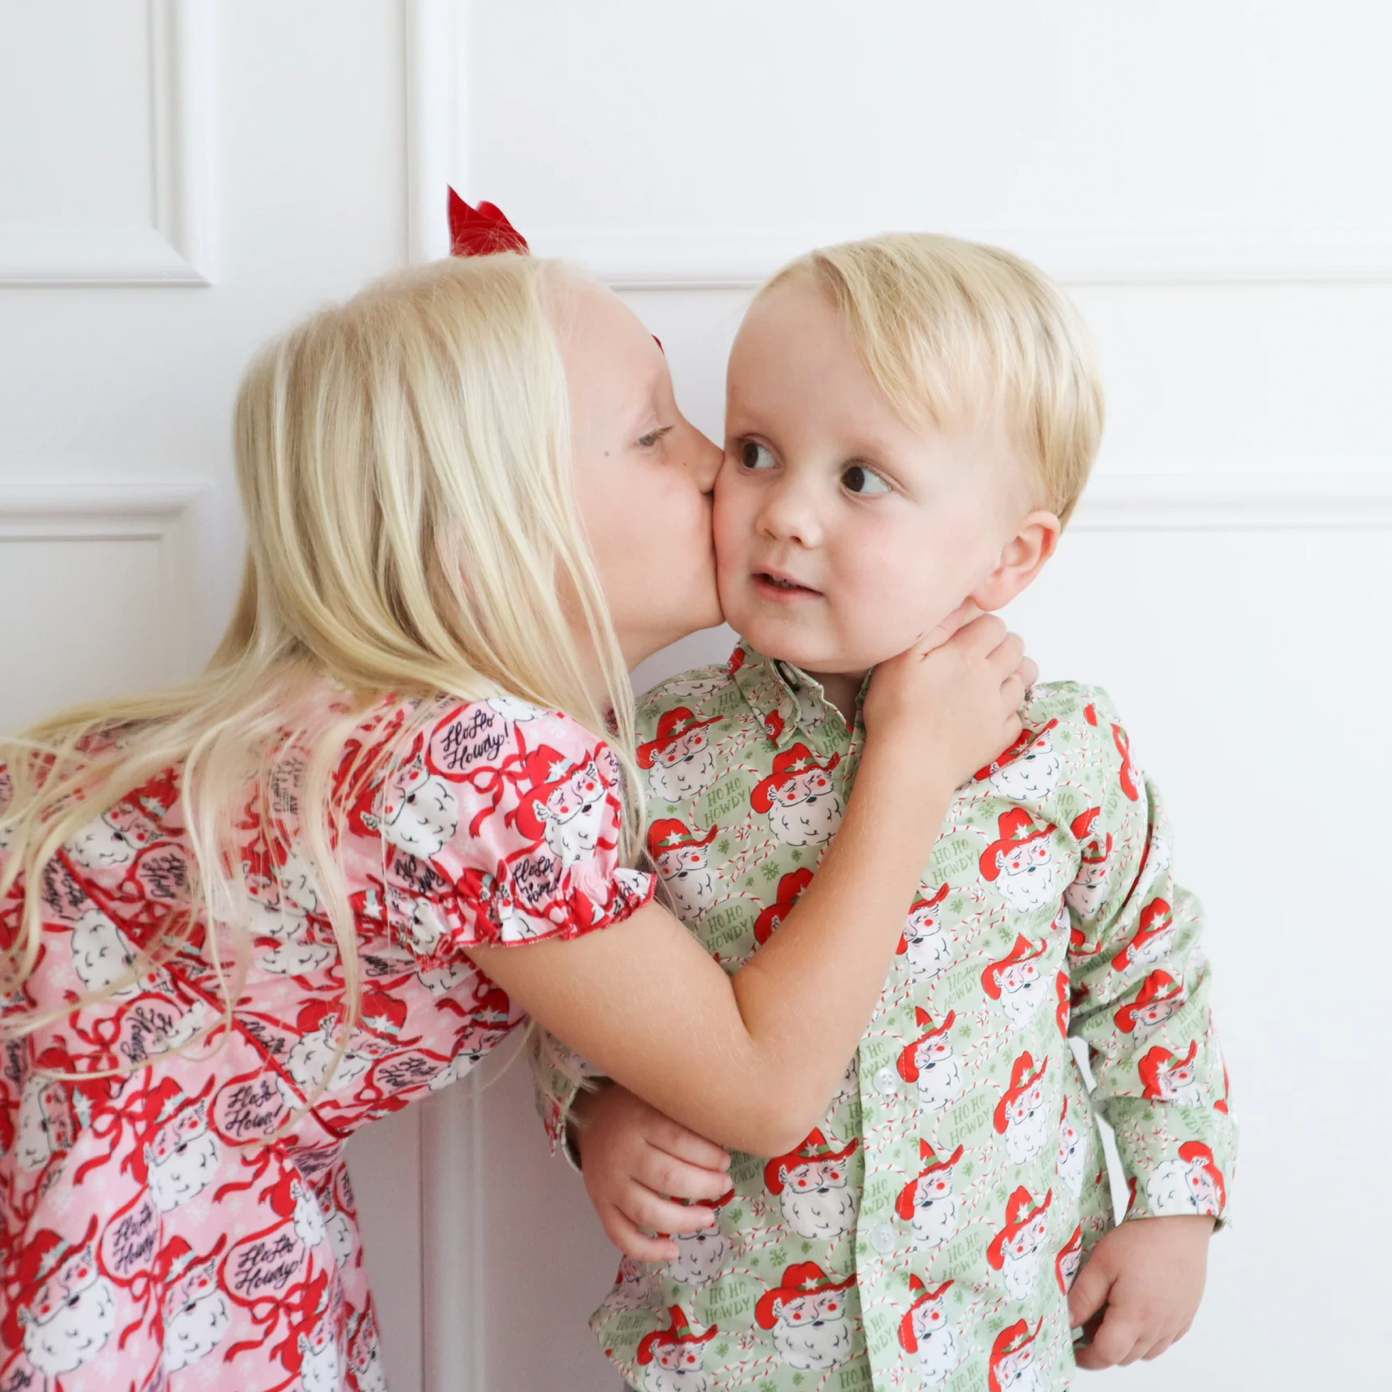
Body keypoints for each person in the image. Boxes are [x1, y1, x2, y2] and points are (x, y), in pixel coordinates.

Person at [0, 204, 1038, 1392]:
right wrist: (911, 761)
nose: (720, 468)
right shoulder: (476, 768)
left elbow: (603, 996)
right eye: (656, 436)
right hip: (129, 1228)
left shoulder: (375, 726)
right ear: (483, 538)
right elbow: (761, 1088)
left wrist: (601, 1105)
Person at [539, 234, 1237, 1391]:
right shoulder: (654, 753)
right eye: (756, 451)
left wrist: (1176, 1206)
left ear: (1011, 556)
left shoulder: (1060, 754)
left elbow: (1151, 973)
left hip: (996, 1335)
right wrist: (595, 1113)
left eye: (860, 479)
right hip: (735, 1345)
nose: (784, 514)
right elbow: (584, 985)